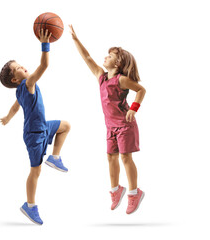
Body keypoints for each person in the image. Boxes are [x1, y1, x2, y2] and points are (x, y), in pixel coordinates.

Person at [69, 25, 146, 214]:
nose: (105, 57)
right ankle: (115, 190)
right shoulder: (101, 77)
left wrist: (134, 109)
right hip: (110, 127)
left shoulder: (121, 80)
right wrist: (75, 39)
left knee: (125, 157)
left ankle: (134, 193)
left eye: (109, 56)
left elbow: (141, 90)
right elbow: (87, 57)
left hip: (125, 126)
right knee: (110, 157)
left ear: (118, 64)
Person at [0, 29, 71, 225]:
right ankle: (29, 206)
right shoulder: (28, 83)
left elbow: (15, 108)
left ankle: (55, 157)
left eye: (21, 65)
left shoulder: (20, 92)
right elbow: (45, 64)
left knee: (65, 126)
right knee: (35, 172)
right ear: (16, 80)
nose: (23, 67)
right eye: (18, 68)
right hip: (34, 135)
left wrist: (7, 118)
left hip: (42, 127)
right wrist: (45, 44)